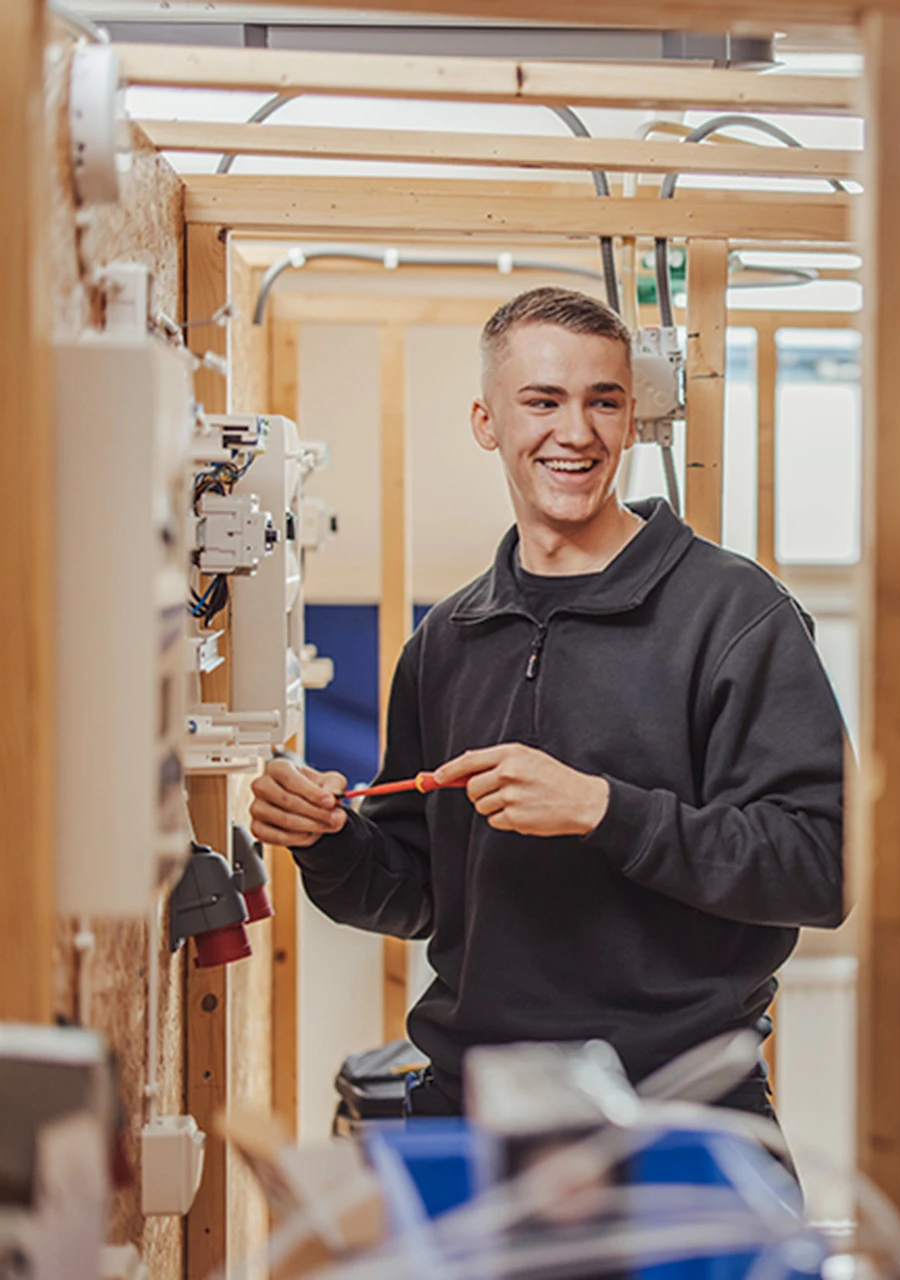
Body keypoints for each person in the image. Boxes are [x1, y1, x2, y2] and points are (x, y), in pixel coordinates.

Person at [248, 286, 846, 1121]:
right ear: (487, 421)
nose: (576, 433)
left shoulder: (736, 615)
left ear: (632, 420)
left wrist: (603, 808)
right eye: (543, 402)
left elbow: (823, 867)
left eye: (604, 403)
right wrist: (328, 839)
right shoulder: (447, 641)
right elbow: (416, 891)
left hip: (683, 1108)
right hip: (475, 1104)